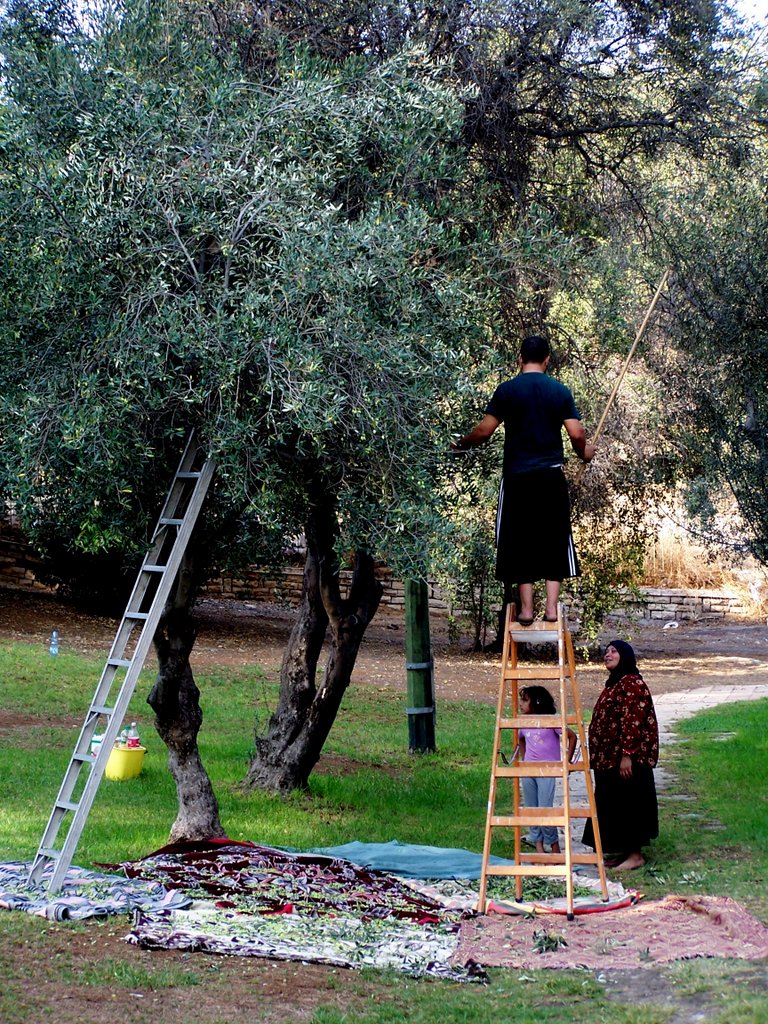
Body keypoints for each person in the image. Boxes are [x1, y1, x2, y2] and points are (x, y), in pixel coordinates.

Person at [452, 335, 595, 624]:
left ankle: (527, 609)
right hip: (550, 477)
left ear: (519, 359)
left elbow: (483, 432)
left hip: (517, 479)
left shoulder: (507, 390)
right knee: (556, 537)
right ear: (547, 360)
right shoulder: (559, 391)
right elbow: (576, 434)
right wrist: (584, 452)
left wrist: (461, 443)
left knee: (519, 540)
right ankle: (552, 608)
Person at [582, 639, 659, 871]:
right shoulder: (615, 683)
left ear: (625, 655)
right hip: (610, 760)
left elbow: (632, 720)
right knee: (615, 803)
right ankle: (625, 852)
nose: (608, 654)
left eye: (614, 651)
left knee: (630, 802)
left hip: (625, 760)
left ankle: (635, 855)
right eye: (606, 651)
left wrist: (628, 754)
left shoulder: (632, 683)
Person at [518, 685, 577, 853]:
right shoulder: (523, 722)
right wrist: (524, 760)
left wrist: (567, 761)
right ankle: (538, 847)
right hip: (528, 771)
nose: (521, 704)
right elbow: (520, 740)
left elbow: (571, 736)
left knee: (545, 808)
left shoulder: (551, 720)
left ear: (537, 702)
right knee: (531, 809)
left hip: (547, 771)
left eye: (525, 700)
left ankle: (554, 846)